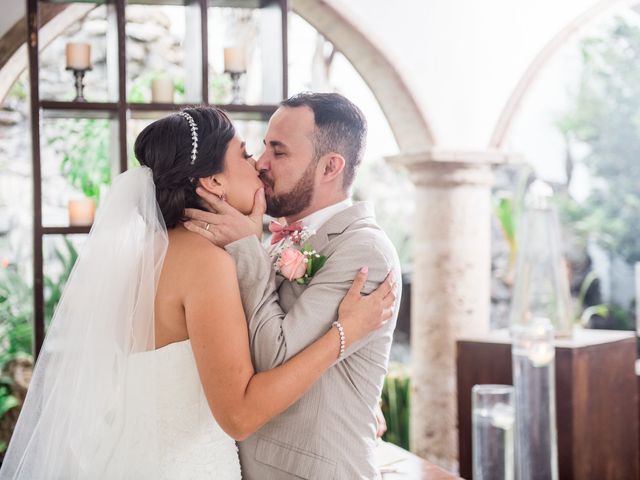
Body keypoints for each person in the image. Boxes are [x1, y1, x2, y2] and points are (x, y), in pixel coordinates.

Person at [0, 106, 396, 479]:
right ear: (212, 182)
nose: (258, 164)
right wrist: (343, 336)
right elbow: (239, 412)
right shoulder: (207, 262)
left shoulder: (151, 255)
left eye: (274, 150)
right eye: (246, 155)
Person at [185, 92, 402, 479]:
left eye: (279, 152)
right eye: (264, 148)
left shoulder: (364, 250)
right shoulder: (275, 236)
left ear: (330, 167)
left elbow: (275, 357)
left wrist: (246, 247)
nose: (261, 164)